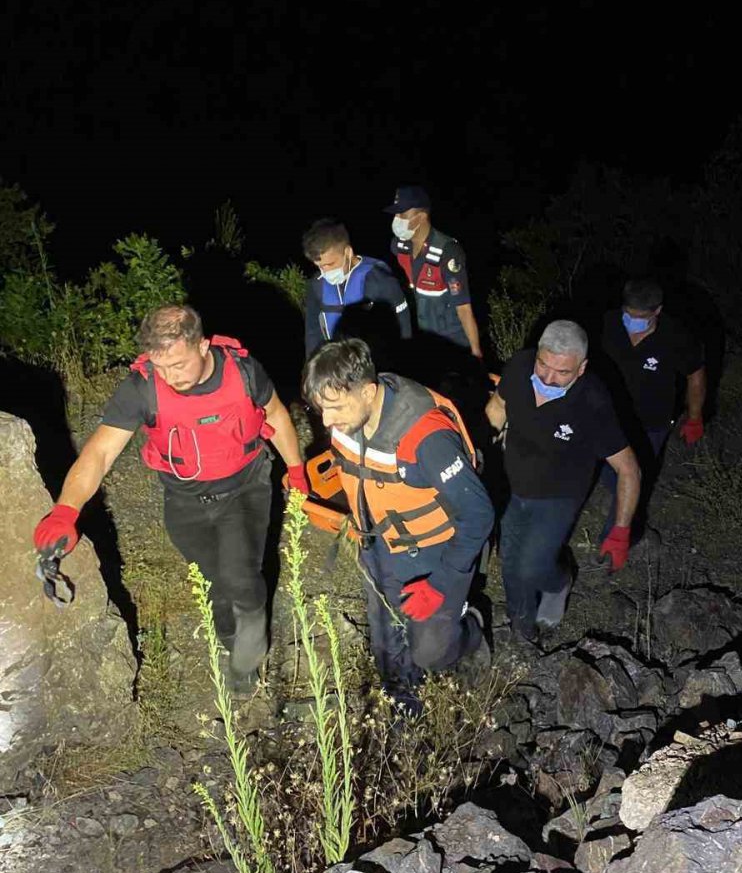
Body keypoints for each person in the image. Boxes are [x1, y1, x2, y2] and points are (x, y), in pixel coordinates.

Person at [32, 305, 308, 689]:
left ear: (203, 346)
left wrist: (296, 468)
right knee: (213, 583)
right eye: (160, 367)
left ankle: (246, 664)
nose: (169, 377)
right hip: (184, 500)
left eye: (178, 365)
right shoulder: (142, 387)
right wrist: (66, 509)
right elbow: (100, 453)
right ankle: (231, 642)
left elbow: (275, 415)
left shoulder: (243, 370)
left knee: (241, 579)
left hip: (244, 489)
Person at [303, 337, 493, 712]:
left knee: (430, 651)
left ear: (368, 391)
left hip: (435, 553)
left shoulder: (427, 437)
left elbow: (478, 514)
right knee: (386, 638)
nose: (326, 421)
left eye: (335, 407)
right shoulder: (349, 414)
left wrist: (442, 583)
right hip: (380, 545)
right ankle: (404, 705)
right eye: (321, 408)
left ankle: (471, 629)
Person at [485, 320, 641, 642]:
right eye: (543, 365)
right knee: (510, 562)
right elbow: (498, 406)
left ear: (581, 368)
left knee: (533, 567)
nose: (547, 378)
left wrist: (621, 530)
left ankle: (559, 582)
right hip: (512, 483)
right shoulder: (520, 367)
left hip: (559, 495)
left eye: (562, 372)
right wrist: (481, 446)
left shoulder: (593, 402)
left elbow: (628, 469)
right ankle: (521, 627)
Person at [599, 275, 706, 538]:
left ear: (657, 311)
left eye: (641, 318)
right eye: (628, 315)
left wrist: (694, 417)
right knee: (610, 475)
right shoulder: (607, 324)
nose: (632, 323)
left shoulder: (676, 336)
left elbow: (695, 374)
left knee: (633, 476)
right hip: (607, 417)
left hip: (650, 423)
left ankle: (616, 536)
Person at [385, 185, 483, 359]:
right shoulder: (399, 246)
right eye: (396, 214)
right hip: (424, 338)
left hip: (453, 341)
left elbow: (463, 308)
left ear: (421, 216)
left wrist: (476, 354)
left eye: (402, 215)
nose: (397, 220)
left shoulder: (448, 252)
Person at [303, 218, 411, 357]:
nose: (325, 271)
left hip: (373, 361)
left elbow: (404, 329)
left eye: (330, 264)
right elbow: (312, 333)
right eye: (320, 266)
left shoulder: (381, 280)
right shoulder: (317, 285)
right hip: (336, 363)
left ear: (348, 252)